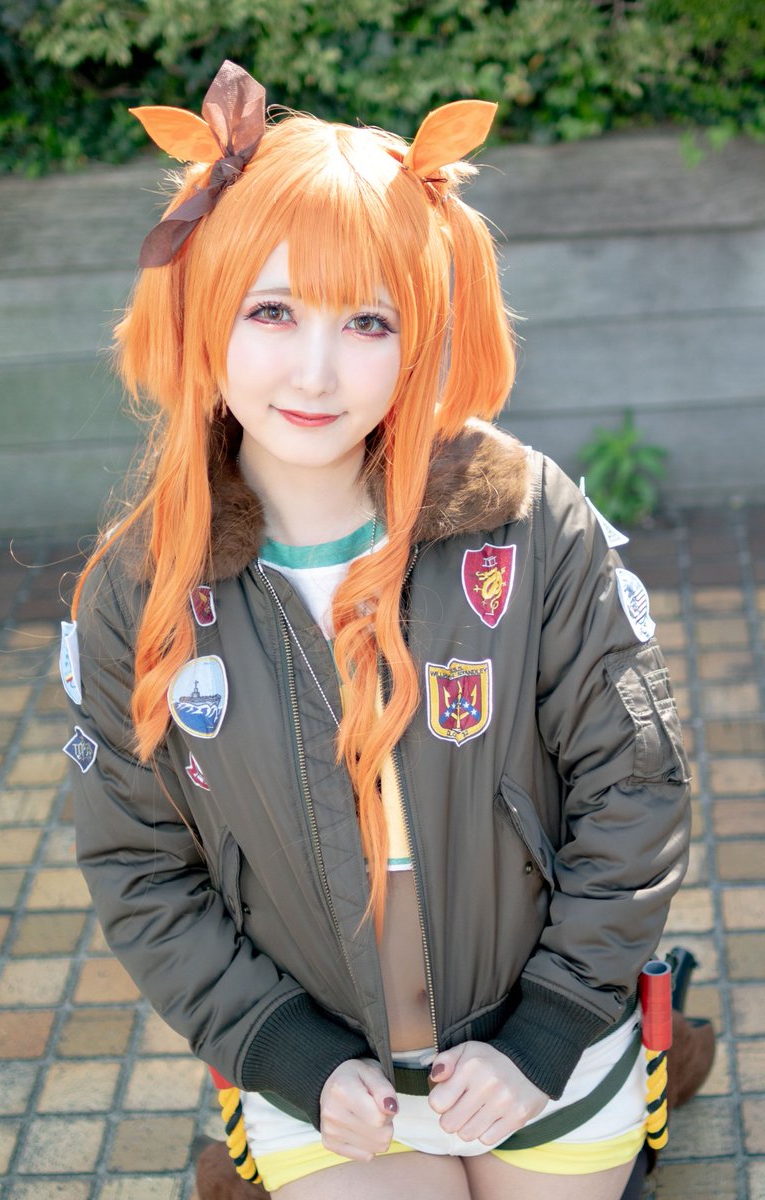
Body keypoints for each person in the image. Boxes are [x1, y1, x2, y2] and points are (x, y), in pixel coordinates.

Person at [62, 61, 692, 1200]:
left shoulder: (524, 518)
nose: (315, 370)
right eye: (271, 310)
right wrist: (279, 1050)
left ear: (419, 333)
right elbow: (139, 866)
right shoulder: (139, 589)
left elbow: (632, 784)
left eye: (365, 320)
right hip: (325, 1078)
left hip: (544, 1044)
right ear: (205, 311)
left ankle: (650, 1060)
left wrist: (553, 1025)